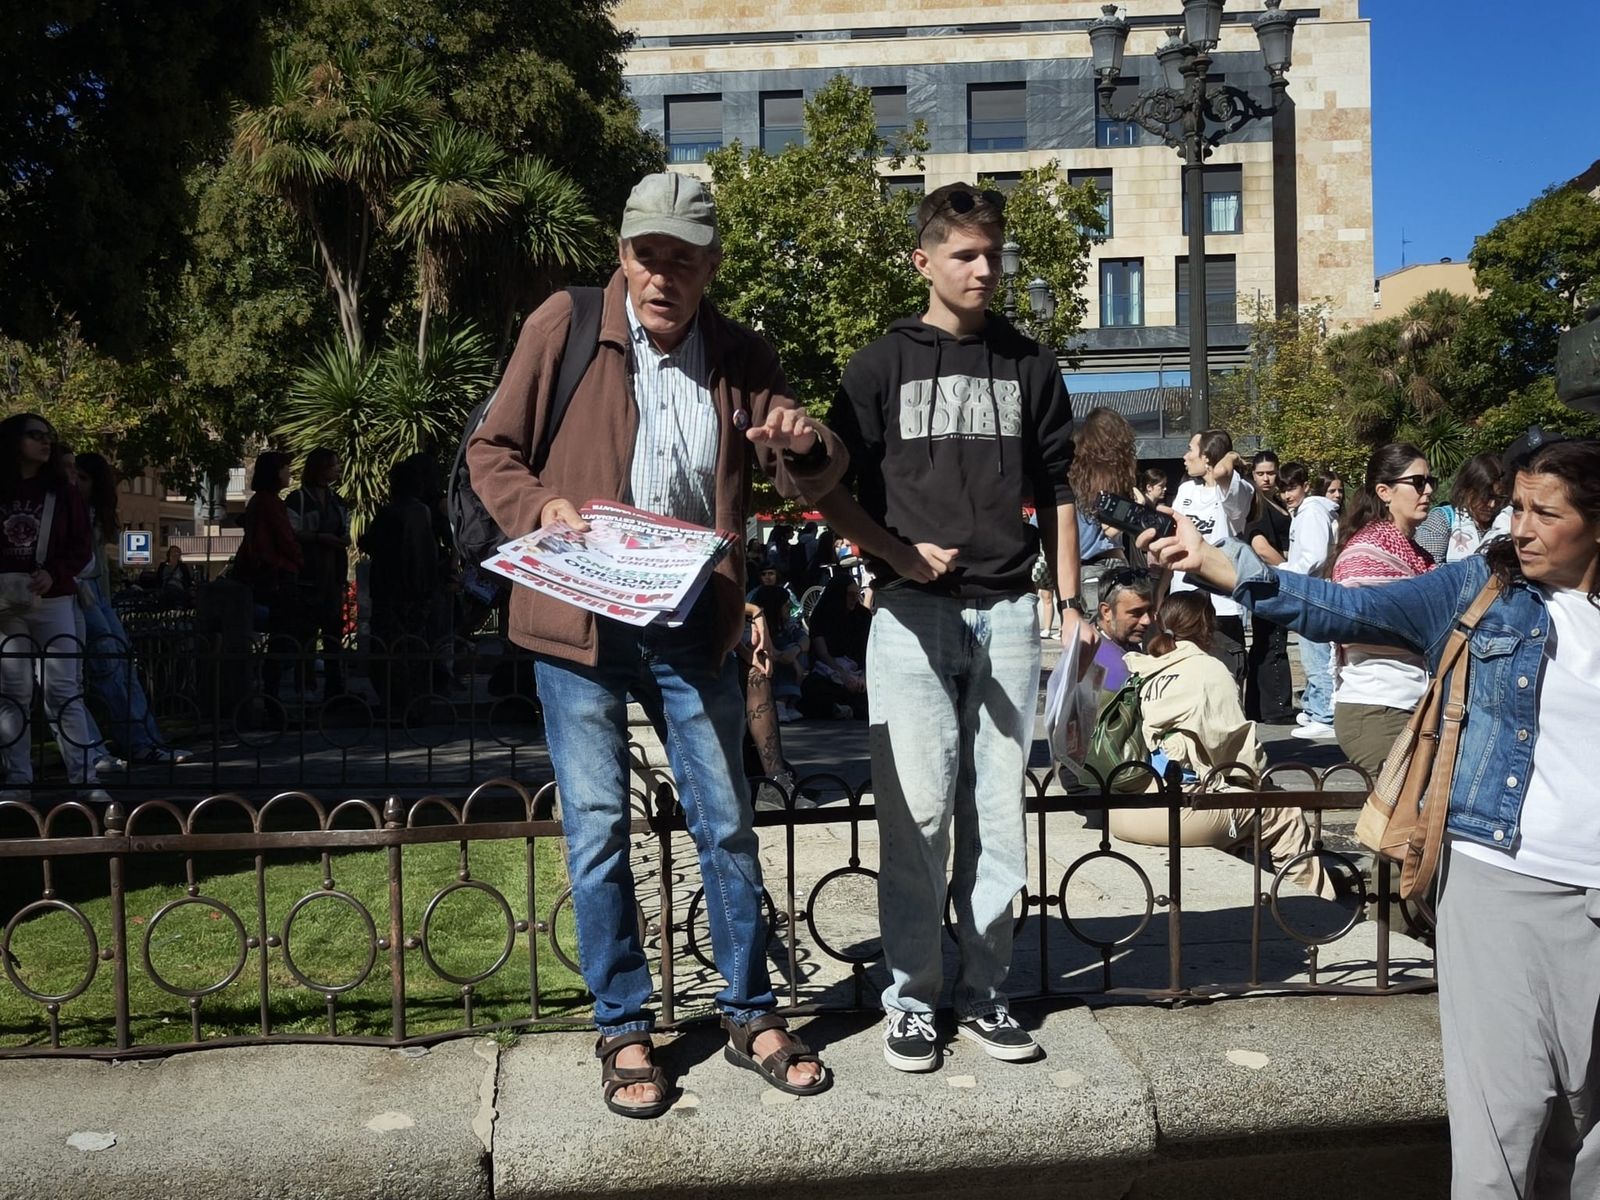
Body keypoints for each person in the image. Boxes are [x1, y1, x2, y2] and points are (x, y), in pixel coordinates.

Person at [467, 171, 844, 1116]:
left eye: (683, 260)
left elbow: (809, 470)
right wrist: (539, 505)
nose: (662, 277)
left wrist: (801, 439)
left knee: (725, 820)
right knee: (597, 829)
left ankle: (751, 1009)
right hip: (579, 620)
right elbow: (491, 452)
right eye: (647, 256)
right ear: (622, 255)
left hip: (690, 620)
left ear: (710, 266)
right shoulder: (564, 323)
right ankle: (624, 1025)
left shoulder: (740, 351)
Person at [1146, 437, 1600, 1198]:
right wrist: (1230, 567)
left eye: (1543, 513)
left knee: (1590, 1128)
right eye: (1516, 506)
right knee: (1508, 1117)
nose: (1518, 528)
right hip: (1499, 878)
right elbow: (1344, 608)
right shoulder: (1481, 590)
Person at [814, 181, 1090, 1072]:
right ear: (923, 261)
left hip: (1011, 609)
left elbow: (1057, 485)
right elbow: (828, 484)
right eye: (965, 254)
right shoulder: (876, 365)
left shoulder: (1030, 365)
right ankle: (912, 997)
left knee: (998, 812)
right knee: (917, 813)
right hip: (911, 614)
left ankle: (986, 990)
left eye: (992, 255)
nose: (983, 270)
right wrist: (891, 552)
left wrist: (1069, 593)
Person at [1111, 592, 1335, 900]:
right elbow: (1244, 755)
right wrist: (1261, 782)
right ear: (1207, 626)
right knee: (1284, 812)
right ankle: (1313, 909)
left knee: (1240, 806)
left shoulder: (1142, 668)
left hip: (1126, 806)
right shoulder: (1209, 671)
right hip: (1174, 812)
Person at [0, 414, 106, 803]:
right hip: (6, 602)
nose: (45, 443)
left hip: (54, 597)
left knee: (62, 689)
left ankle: (85, 778)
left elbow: (81, 545)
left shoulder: (63, 491)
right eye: (35, 436)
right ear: (13, 442)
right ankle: (17, 781)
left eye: (49, 437)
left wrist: (55, 572)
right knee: (13, 690)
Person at [72, 453, 193, 764]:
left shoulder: (92, 512)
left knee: (123, 667)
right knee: (105, 670)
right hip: (81, 593)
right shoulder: (68, 510)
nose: (74, 483)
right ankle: (134, 743)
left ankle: (147, 741)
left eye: (83, 478)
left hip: (97, 593)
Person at [1328, 443, 1437, 774]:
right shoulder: (1366, 554)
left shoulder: (1415, 552)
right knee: (1404, 817)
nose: (1428, 490)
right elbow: (1359, 630)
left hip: (1411, 704)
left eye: (1430, 480)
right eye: (1418, 482)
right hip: (1378, 709)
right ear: (1384, 491)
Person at [360, 454, 444, 717]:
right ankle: (417, 702)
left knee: (390, 649)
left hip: (390, 590)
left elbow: (369, 543)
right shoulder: (423, 511)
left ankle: (396, 703)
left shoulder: (389, 512)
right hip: (419, 591)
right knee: (415, 646)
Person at [1170, 429, 1254, 681]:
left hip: (1221, 606)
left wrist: (1232, 457)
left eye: (1190, 450)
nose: (1184, 457)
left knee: (1223, 683)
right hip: (1184, 601)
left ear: (1207, 457)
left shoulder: (1239, 490)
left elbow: (1221, 473)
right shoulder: (1186, 491)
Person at [233, 451, 308, 705]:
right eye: (285, 469)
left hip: (269, 571)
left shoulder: (260, 502)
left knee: (282, 635)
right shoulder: (270, 503)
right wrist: (299, 560)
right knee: (284, 635)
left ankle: (272, 692)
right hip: (277, 573)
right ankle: (274, 694)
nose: (289, 474)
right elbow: (284, 537)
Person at [285, 447, 352, 699]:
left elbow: (344, 529)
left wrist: (341, 540)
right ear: (320, 468)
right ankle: (306, 686)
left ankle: (335, 688)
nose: (338, 468)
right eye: (334, 464)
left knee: (333, 633)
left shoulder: (338, 501)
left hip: (332, 576)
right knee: (305, 636)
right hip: (307, 577)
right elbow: (292, 532)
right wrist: (318, 538)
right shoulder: (297, 499)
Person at [1068, 407, 1139, 610]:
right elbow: (1111, 529)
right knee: (1118, 637)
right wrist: (1136, 509)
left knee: (1088, 636)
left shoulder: (1074, 474)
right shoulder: (1113, 477)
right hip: (1109, 565)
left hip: (1076, 571)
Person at [1243, 451, 1295, 724]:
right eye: (1261, 473)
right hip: (1270, 579)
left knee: (1268, 642)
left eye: (1271, 472)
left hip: (1272, 578)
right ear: (1252, 474)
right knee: (1272, 643)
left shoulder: (1274, 501)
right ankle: (1275, 709)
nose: (1267, 478)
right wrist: (1290, 570)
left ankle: (1259, 707)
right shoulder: (1256, 503)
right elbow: (1260, 547)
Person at [1415, 452, 1510, 566]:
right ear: (1466, 490)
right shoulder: (1442, 520)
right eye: (1485, 497)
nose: (1492, 504)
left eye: (1498, 498)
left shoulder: (1504, 523)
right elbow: (1426, 572)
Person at [797, 574, 871, 719]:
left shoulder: (863, 616)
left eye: (857, 594)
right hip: (831, 670)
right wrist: (842, 674)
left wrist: (864, 675)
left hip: (859, 671)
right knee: (812, 687)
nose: (854, 599)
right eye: (850, 595)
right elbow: (823, 653)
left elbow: (868, 650)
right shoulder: (821, 616)